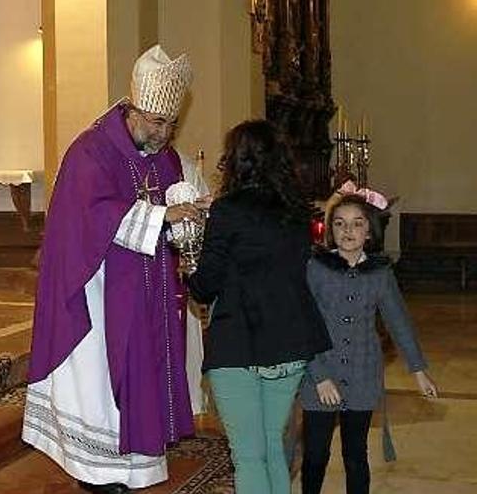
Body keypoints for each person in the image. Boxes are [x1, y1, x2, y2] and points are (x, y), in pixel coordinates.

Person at [22, 45, 209, 494]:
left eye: (171, 124)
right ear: (133, 110)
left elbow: (174, 213)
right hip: (97, 289)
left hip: (148, 289)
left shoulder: (162, 157)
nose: (164, 134)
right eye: (156, 122)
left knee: (145, 368)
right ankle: (98, 470)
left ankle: (138, 465)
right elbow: (92, 214)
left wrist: (191, 218)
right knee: (100, 384)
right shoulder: (91, 151)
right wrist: (164, 217)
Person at [187, 120, 332, 494]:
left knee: (248, 456)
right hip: (290, 340)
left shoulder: (227, 210)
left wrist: (188, 262)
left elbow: (204, 288)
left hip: (239, 342)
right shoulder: (298, 212)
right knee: (270, 446)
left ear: (235, 160)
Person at [299, 192, 438, 494]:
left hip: (363, 375)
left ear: (369, 231)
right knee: (316, 455)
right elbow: (303, 325)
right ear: (330, 230)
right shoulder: (316, 268)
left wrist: (418, 370)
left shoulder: (380, 273)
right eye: (340, 224)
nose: (348, 231)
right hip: (318, 376)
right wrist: (319, 376)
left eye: (356, 224)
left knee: (356, 456)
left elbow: (398, 320)